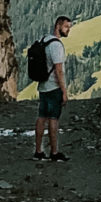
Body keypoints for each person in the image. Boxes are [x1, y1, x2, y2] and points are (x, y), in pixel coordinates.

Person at [34, 15, 73, 162]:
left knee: (41, 117)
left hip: (43, 86)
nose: (68, 30)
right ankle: (54, 152)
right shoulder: (56, 45)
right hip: (53, 87)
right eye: (66, 27)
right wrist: (64, 91)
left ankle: (38, 151)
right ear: (58, 26)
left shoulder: (44, 40)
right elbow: (59, 70)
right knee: (53, 119)